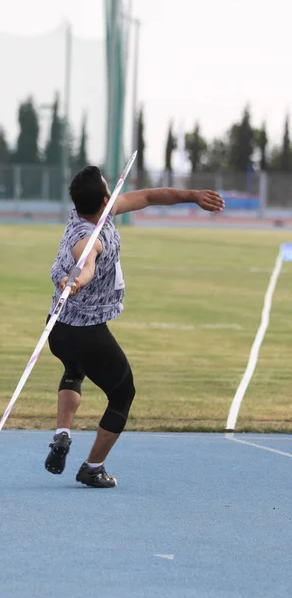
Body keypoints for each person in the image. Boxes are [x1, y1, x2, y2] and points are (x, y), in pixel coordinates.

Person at [45, 166, 224, 488]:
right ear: (103, 199)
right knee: (122, 392)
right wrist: (77, 280)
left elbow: (150, 196)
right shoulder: (88, 238)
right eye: (107, 188)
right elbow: (85, 263)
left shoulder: (96, 213)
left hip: (59, 328)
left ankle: (62, 435)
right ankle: (92, 467)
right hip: (86, 332)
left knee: (74, 371)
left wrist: (193, 196)